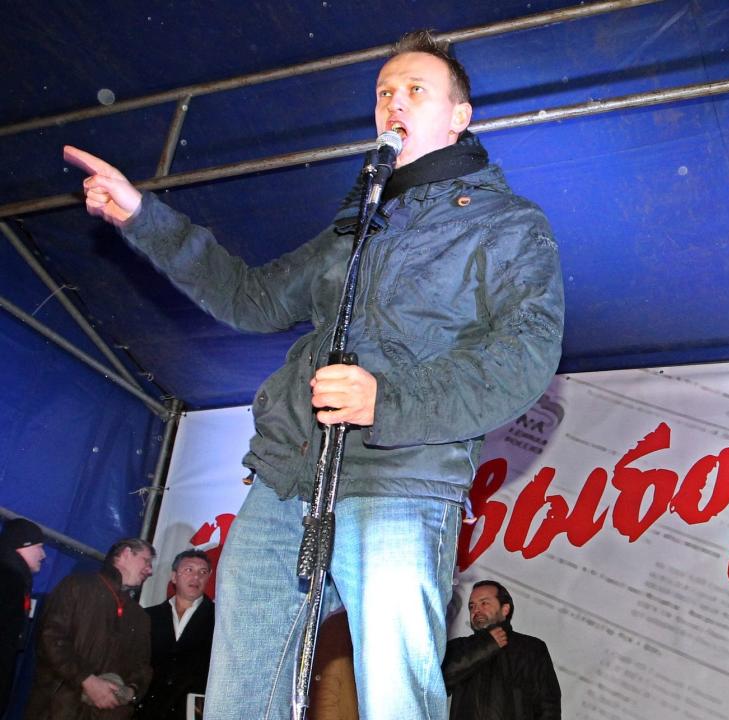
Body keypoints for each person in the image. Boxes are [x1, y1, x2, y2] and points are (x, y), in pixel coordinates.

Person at [64, 29, 564, 720]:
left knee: (394, 689)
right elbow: (252, 297)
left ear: (459, 115)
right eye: (384, 91)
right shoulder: (354, 229)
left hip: (401, 478)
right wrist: (146, 219)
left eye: (416, 89)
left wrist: (388, 400)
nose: (395, 100)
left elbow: (527, 357)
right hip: (292, 479)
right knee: (243, 682)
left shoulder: (508, 226)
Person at [24, 538, 155, 720]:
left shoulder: (140, 617)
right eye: (146, 561)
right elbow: (50, 639)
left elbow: (142, 667)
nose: (150, 570)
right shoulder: (76, 586)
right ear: (126, 554)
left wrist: (131, 692)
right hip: (57, 711)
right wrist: (87, 680)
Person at [443, 580, 561, 720]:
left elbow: (549, 707)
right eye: (472, 606)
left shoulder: (532, 648)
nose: (476, 610)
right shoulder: (458, 647)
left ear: (505, 609)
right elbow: (438, 681)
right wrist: (487, 645)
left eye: (484, 603)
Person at [136, 550, 215, 720]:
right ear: (174, 576)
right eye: (189, 570)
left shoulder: (221, 621)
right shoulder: (148, 616)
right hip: (147, 710)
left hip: (193, 712)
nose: (196, 578)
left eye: (203, 572)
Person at [0, 518, 46, 717]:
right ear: (22, 546)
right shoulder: (8, 580)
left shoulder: (15, 580)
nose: (43, 555)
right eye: (39, 547)